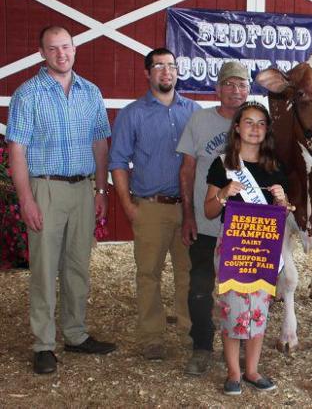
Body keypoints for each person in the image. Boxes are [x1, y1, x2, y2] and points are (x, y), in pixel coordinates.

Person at [7, 25, 116, 375]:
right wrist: (26, 199)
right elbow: (17, 150)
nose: (61, 54)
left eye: (66, 47)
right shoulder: (28, 94)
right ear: (42, 53)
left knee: (77, 266)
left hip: (83, 188)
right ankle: (43, 344)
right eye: (52, 49)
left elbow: (100, 143)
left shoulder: (91, 92)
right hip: (46, 188)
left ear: (75, 48)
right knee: (43, 268)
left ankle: (75, 334)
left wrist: (101, 189)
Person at [108, 48, 200, 360]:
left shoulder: (194, 111)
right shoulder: (132, 114)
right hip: (150, 207)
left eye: (171, 66)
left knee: (189, 272)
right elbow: (117, 162)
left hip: (188, 209)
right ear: (147, 73)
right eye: (159, 66)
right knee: (149, 273)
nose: (166, 72)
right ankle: (152, 338)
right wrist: (128, 206)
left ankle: (193, 333)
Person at [204, 102, 289, 395]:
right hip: (233, 245)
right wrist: (224, 194)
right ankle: (233, 372)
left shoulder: (275, 166)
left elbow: (283, 214)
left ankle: (252, 370)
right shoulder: (223, 165)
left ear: (267, 130)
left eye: (261, 123)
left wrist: (282, 201)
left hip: (264, 247)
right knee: (232, 310)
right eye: (249, 122)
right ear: (237, 127)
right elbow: (209, 211)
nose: (255, 128)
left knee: (259, 311)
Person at [177, 61, 250, 375]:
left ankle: (243, 345)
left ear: (249, 90)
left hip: (246, 227)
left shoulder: (258, 122)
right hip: (207, 221)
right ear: (217, 89)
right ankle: (202, 347)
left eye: (242, 85)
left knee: (245, 289)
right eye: (229, 84)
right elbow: (187, 170)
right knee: (201, 286)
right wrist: (188, 216)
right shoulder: (200, 120)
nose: (236, 91)